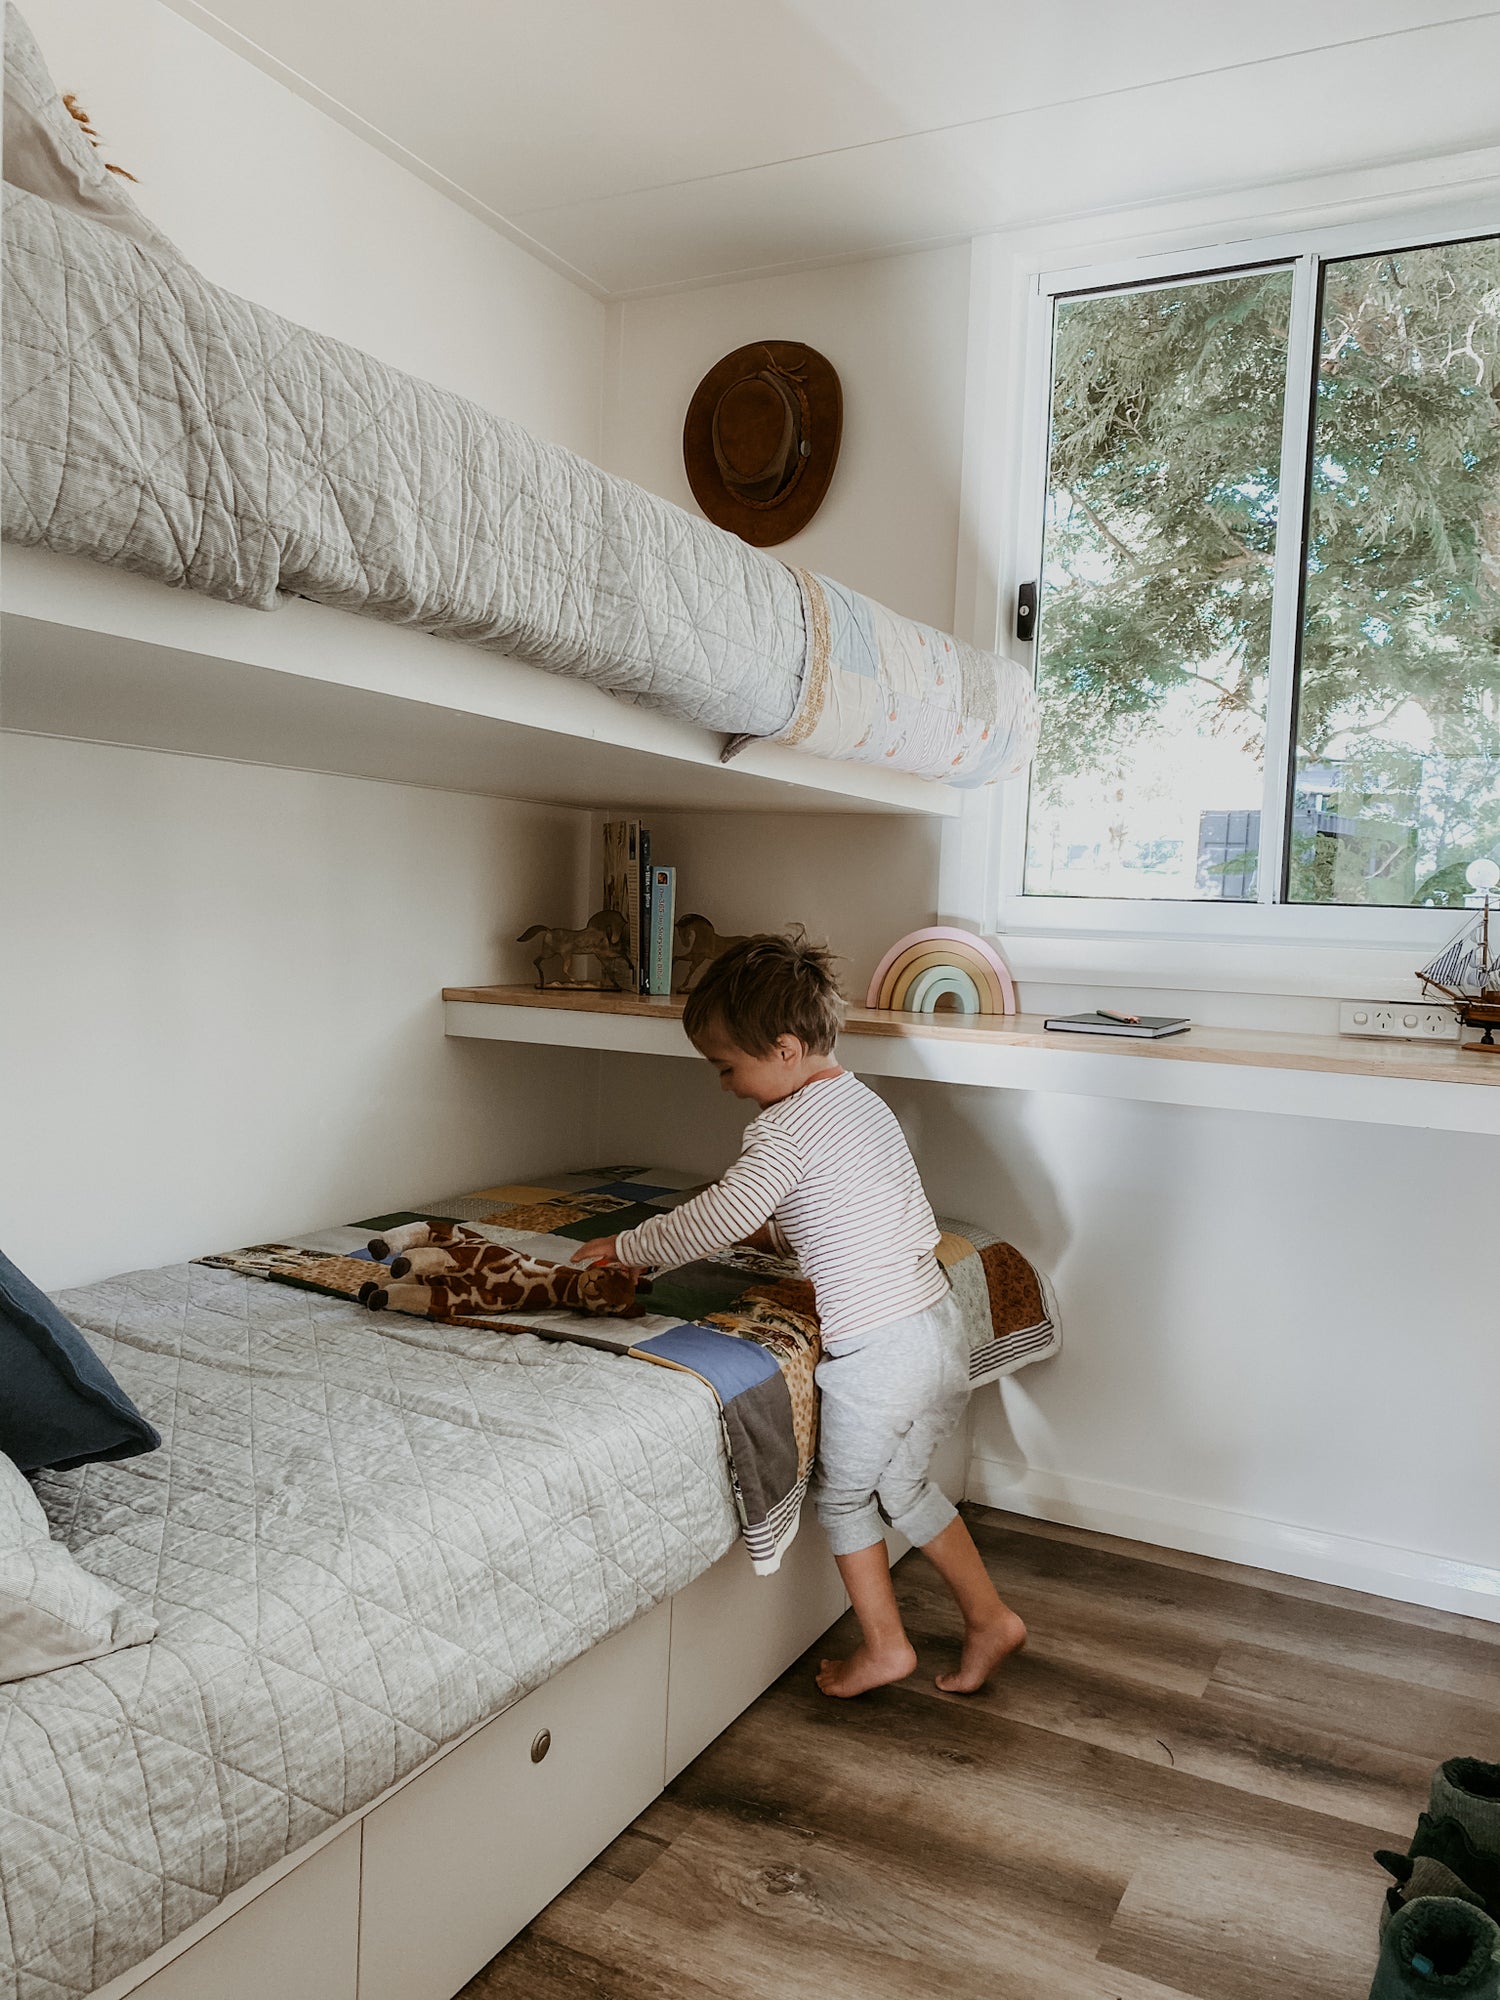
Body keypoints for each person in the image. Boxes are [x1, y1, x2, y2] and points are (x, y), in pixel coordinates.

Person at [571, 932, 1028, 1697]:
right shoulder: (861, 1102)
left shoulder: (782, 1129)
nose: (725, 1085)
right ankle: (990, 1618)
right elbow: (846, 1206)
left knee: (845, 1497)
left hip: (879, 1352)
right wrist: (777, 1233)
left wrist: (629, 1246)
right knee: (905, 1486)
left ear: (784, 1050)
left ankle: (885, 1647)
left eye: (727, 1067)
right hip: (937, 1330)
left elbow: (719, 1213)